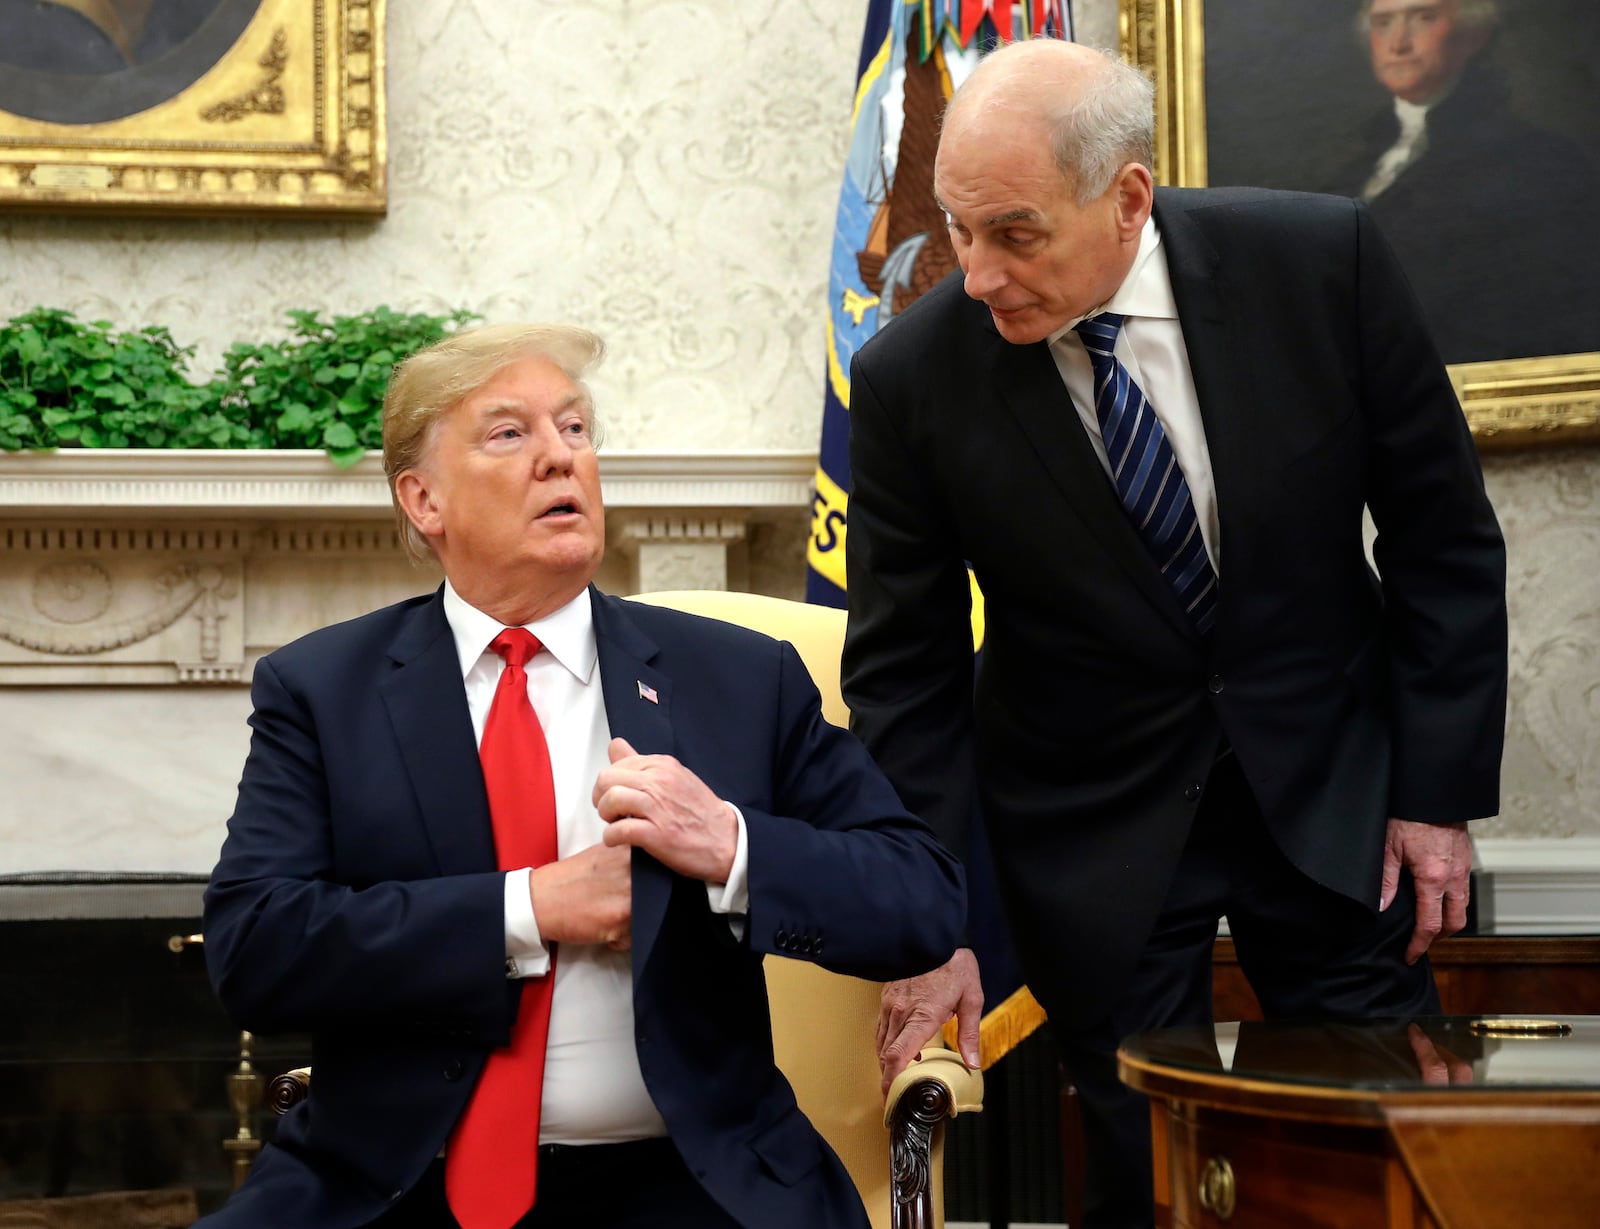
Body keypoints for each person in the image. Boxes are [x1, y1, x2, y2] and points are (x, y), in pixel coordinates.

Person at [843, 39, 1507, 1229]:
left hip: (1331, 790)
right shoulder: (910, 377)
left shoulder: (1318, 261)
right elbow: (908, 674)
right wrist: (930, 919)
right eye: (958, 226)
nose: (979, 273)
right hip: (1091, 820)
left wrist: (1435, 792)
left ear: (1127, 196)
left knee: (1372, 1145)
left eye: (1015, 233)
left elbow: (1440, 540)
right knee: (1138, 1168)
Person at [197, 322, 966, 1229]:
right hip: (399, 1179)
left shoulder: (738, 678)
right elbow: (253, 946)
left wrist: (732, 850)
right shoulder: (325, 689)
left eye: (574, 428)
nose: (560, 459)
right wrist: (530, 907)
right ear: (423, 498)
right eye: (509, 433)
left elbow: (922, 899)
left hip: (690, 1179)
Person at [1324, 0, 1599, 362]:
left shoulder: (1534, 160)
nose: (1398, 44)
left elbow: (1541, 315)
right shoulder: (1356, 170)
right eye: (1383, 23)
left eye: (1423, 18)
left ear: (1475, 34)